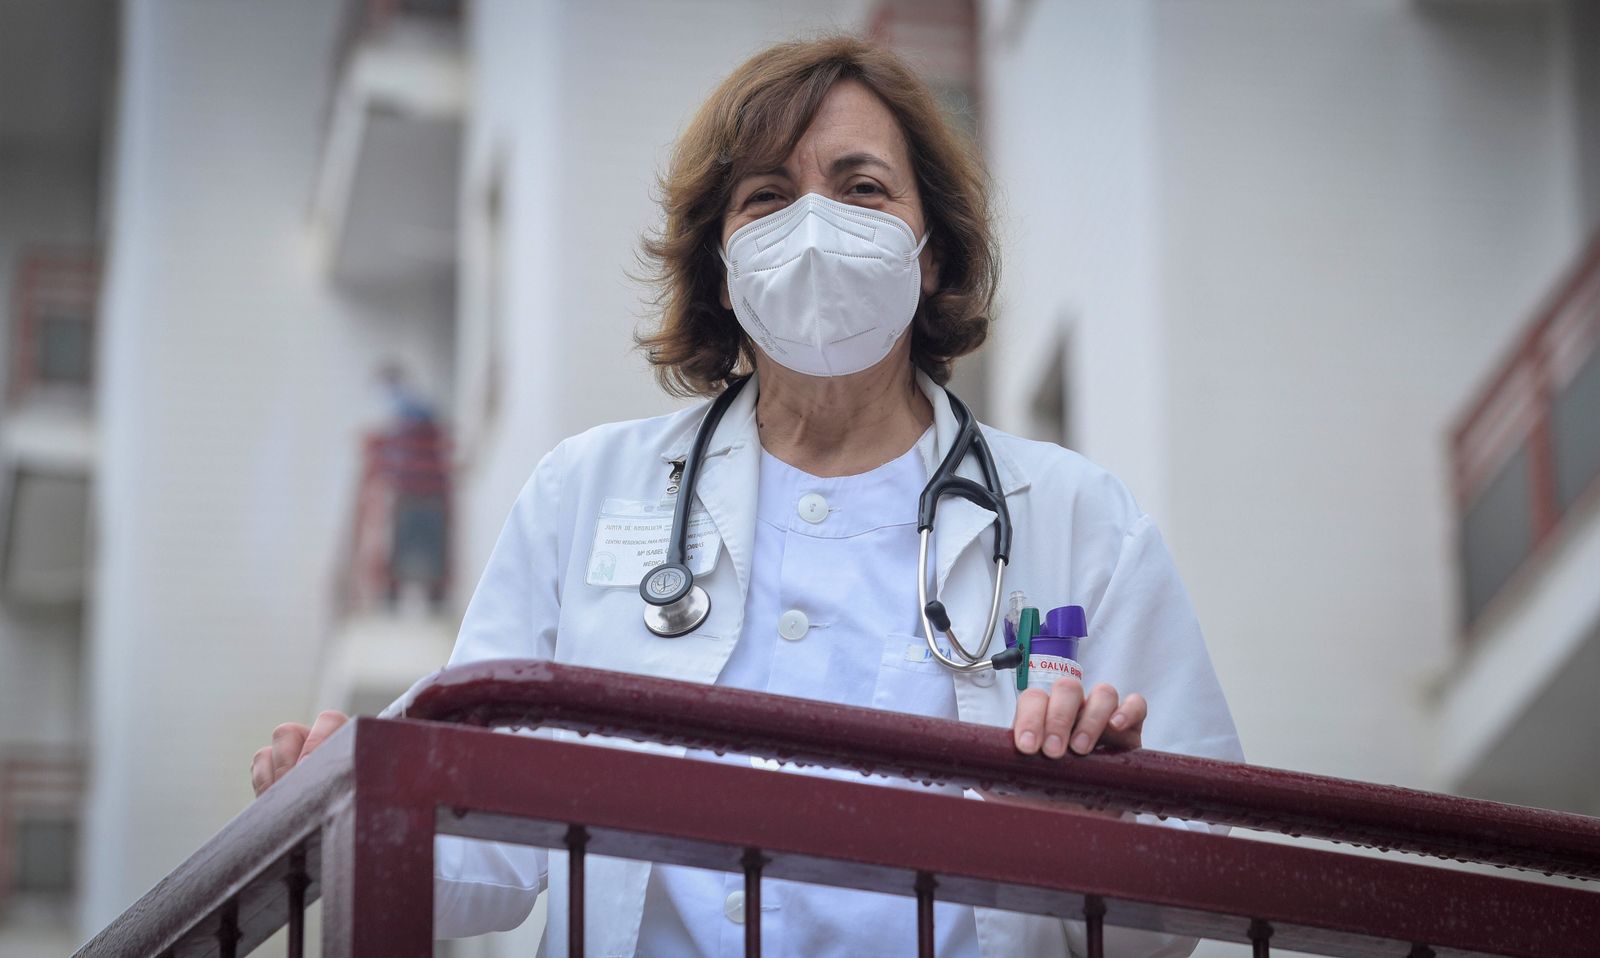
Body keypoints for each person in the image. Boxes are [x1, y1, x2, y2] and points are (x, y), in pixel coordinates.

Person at [251, 35, 1241, 957]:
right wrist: (350, 793)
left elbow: (1199, 883)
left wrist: (1099, 835)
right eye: (768, 197)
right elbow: (485, 857)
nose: (815, 226)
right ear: (721, 268)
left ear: (928, 251)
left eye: (862, 187)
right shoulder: (583, 492)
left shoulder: (1074, 514)